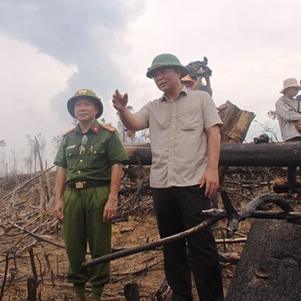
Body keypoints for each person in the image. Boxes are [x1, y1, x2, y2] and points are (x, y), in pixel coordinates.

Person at [112, 53, 224, 301]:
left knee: (202, 245)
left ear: (178, 73)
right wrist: (122, 109)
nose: (158, 78)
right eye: (154, 75)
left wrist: (212, 169)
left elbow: (213, 133)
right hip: (162, 185)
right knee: (171, 245)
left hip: (194, 182)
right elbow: (135, 121)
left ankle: (212, 297)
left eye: (163, 72)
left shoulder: (201, 99)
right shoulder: (153, 107)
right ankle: (181, 295)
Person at [53, 88, 128, 301]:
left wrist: (112, 198)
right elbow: (61, 168)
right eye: (78, 105)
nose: (82, 108)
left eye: (87, 104)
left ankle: (96, 294)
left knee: (100, 245)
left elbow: (117, 165)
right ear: (73, 111)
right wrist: (58, 199)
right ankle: (79, 294)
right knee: (74, 246)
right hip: (72, 196)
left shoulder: (108, 134)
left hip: (98, 193)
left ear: (96, 109)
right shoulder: (68, 138)